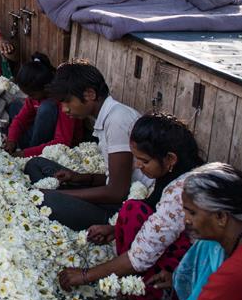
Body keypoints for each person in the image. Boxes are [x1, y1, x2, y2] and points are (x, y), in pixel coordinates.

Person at [81, 163, 242, 300]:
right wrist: (177, 279)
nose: (186, 219)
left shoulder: (238, 271)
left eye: (192, 212)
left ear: (221, 217)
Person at [60, 114, 203, 300]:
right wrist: (114, 230)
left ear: (170, 159)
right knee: (133, 211)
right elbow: (156, 219)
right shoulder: (178, 172)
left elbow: (140, 257)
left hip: (189, 274)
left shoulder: (180, 192)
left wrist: (85, 275)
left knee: (133, 211)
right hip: (184, 263)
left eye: (144, 160)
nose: (137, 165)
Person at [24, 62, 151, 231]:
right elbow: (115, 177)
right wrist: (79, 178)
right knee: (36, 164)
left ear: (90, 94)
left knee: (45, 200)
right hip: (115, 193)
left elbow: (117, 192)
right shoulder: (108, 117)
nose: (64, 109)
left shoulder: (118, 120)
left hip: (122, 209)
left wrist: (59, 194)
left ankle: (106, 225)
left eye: (67, 102)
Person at [5, 53, 83, 157]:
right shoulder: (35, 97)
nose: (30, 97)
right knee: (14, 106)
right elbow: (20, 120)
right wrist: (11, 139)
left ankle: (32, 153)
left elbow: (62, 142)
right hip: (41, 135)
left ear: (45, 88)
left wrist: (25, 154)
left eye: (31, 94)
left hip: (58, 145)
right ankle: (27, 148)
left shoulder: (63, 101)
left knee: (46, 108)